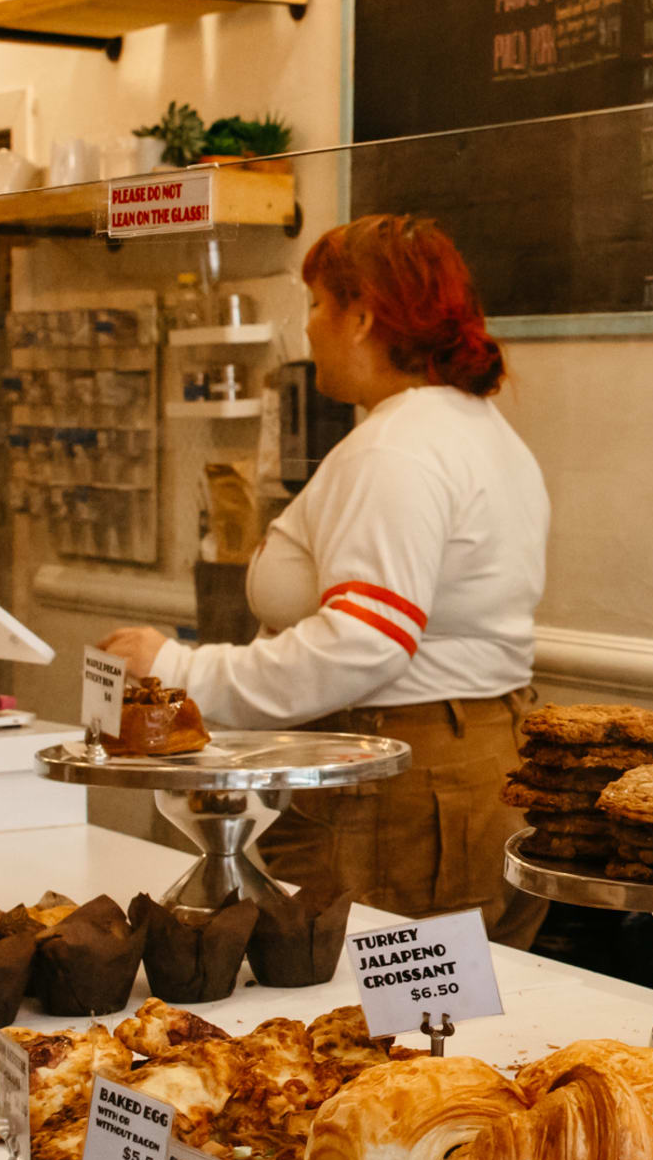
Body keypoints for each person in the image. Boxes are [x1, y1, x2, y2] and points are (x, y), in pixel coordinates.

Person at [99, 214, 544, 979]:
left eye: (313, 305)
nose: (304, 329)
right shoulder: (478, 430)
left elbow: (364, 641)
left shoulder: (396, 448)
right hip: (475, 765)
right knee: (449, 1033)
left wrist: (182, 671)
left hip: (403, 796)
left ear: (362, 315)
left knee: (379, 1033)